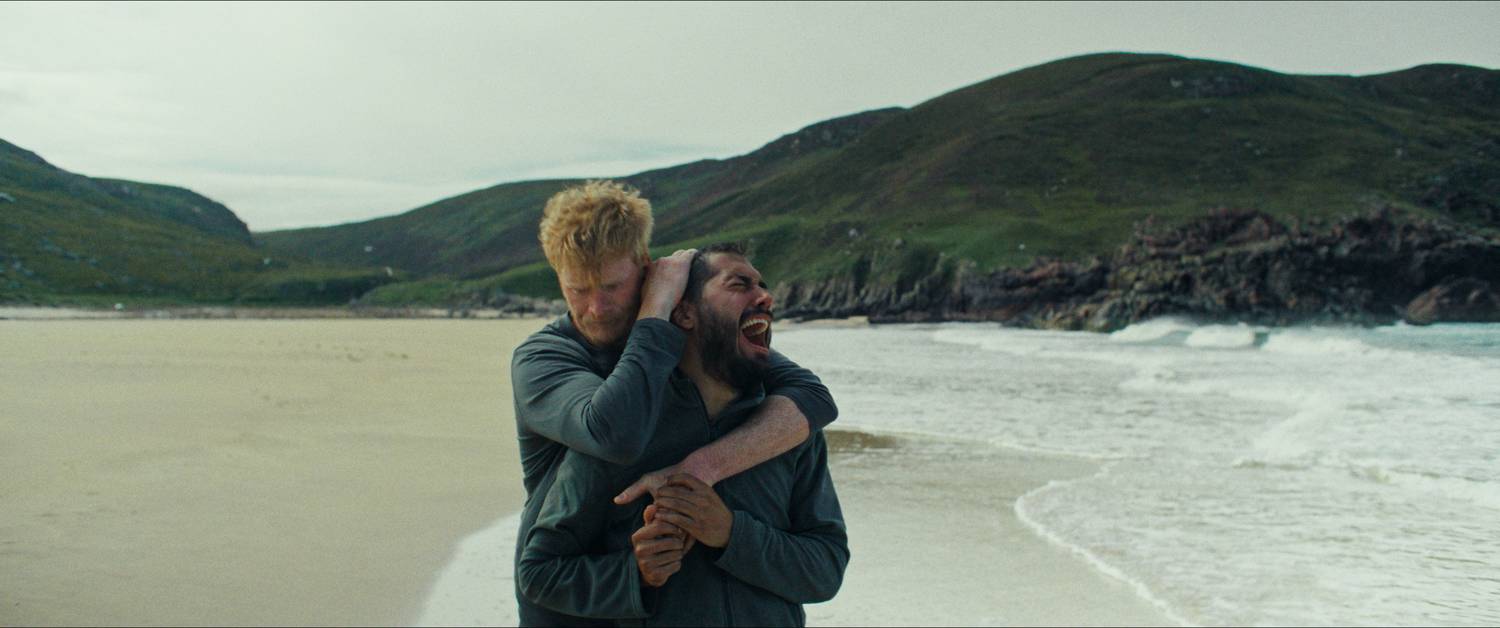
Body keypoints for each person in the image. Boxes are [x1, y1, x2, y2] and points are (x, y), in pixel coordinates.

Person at [510, 182, 839, 625]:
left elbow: (813, 398)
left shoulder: (714, 362)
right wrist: (656, 307)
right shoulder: (545, 358)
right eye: (576, 289)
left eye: (612, 286)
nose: (596, 308)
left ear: (645, 267)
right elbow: (615, 434)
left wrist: (701, 474)